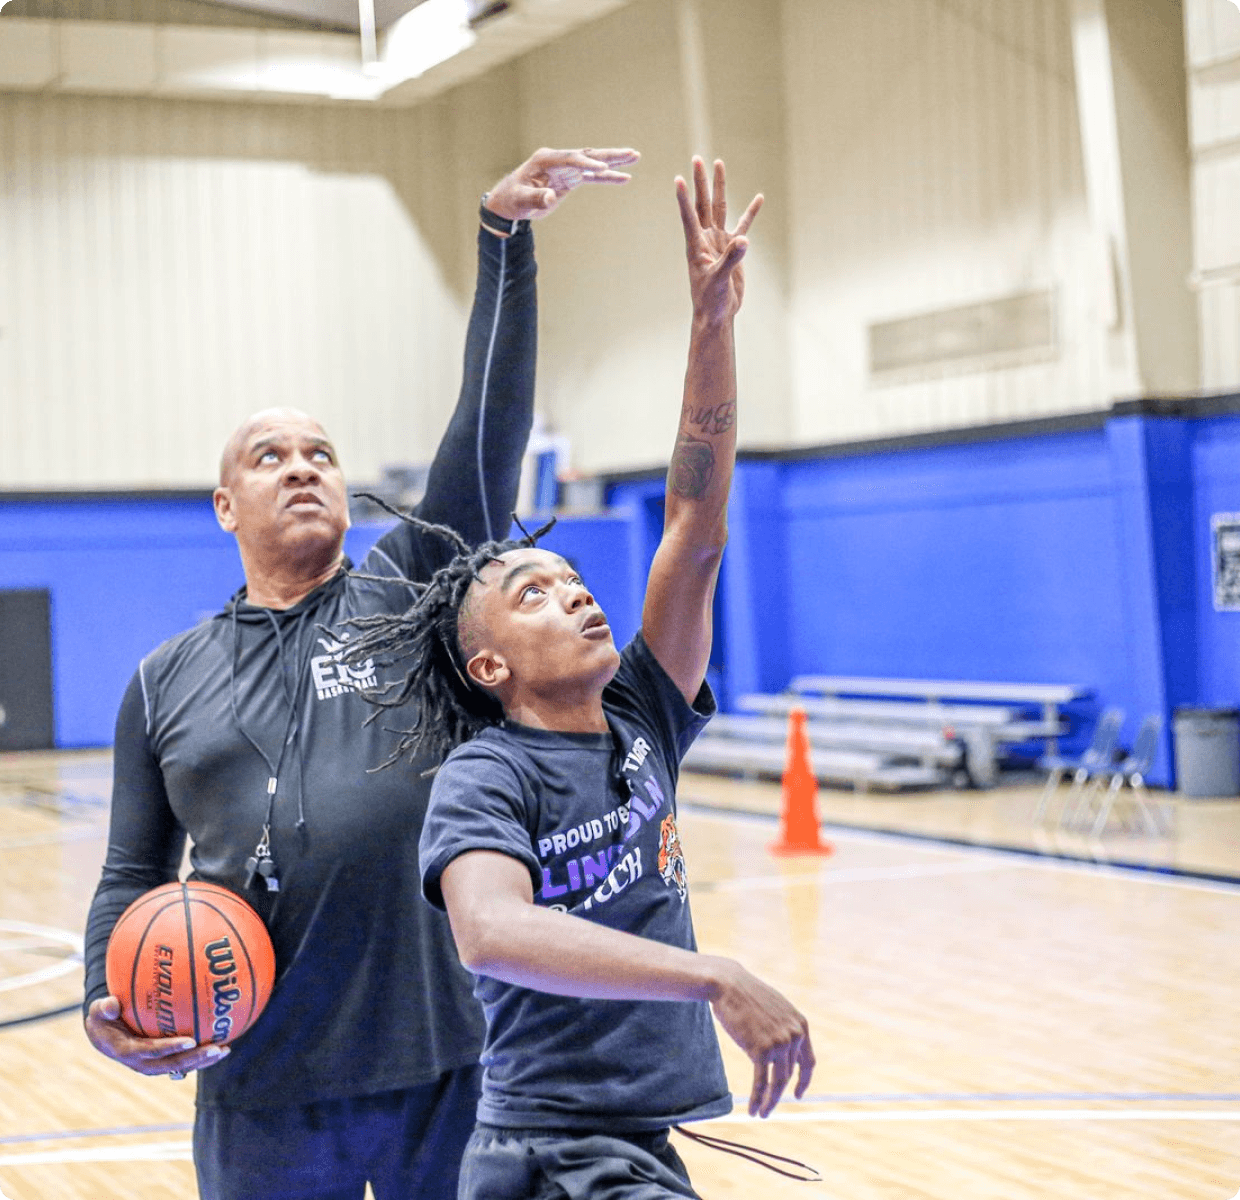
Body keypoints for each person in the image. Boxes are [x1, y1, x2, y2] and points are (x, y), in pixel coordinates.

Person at [80, 145, 640, 1200]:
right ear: (224, 507)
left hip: (454, 1067)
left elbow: (486, 434)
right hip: (263, 1082)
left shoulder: (412, 595)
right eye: (270, 456)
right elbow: (130, 874)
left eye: (322, 454)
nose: (301, 466)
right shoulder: (162, 681)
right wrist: (105, 997)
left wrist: (503, 245)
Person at [340, 157, 814, 1200]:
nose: (577, 593)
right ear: (488, 663)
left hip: (631, 1139)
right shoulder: (486, 778)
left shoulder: (642, 717)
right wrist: (713, 973)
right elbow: (491, 930)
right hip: (553, 1152)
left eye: (573, 577)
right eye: (534, 592)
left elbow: (693, 526)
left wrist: (711, 321)